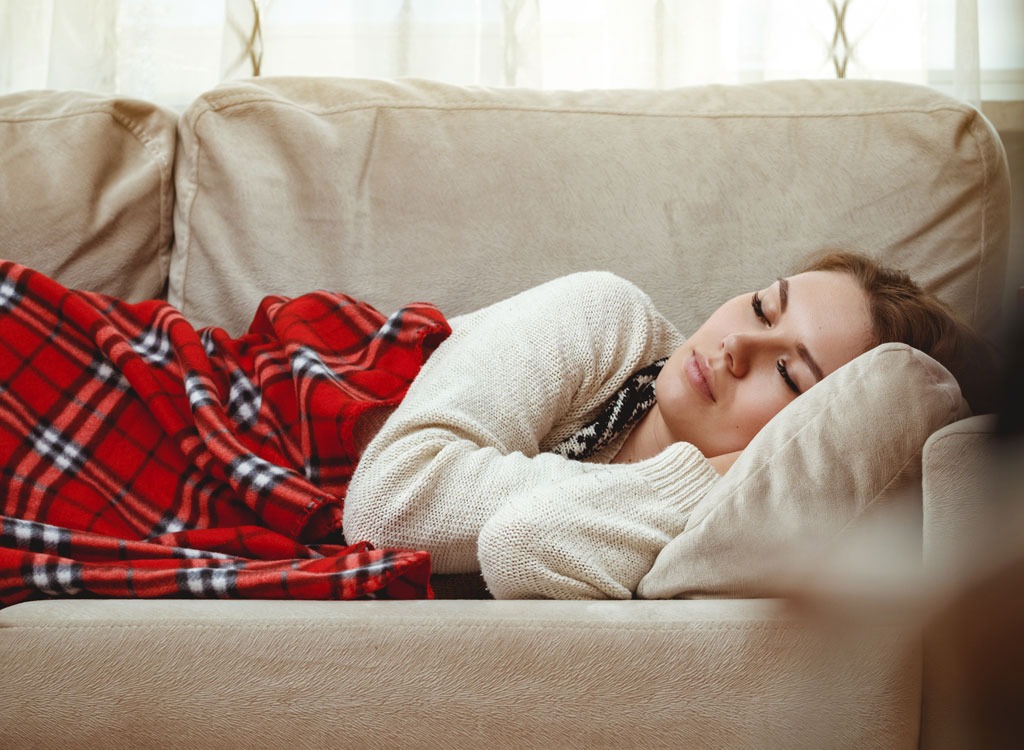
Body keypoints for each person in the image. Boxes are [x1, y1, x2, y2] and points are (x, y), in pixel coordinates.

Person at [343, 250, 991, 599]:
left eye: (791, 375)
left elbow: (523, 541)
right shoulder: (605, 317)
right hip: (276, 428)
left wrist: (713, 482)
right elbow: (387, 506)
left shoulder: (719, 537)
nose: (738, 346)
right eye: (764, 308)